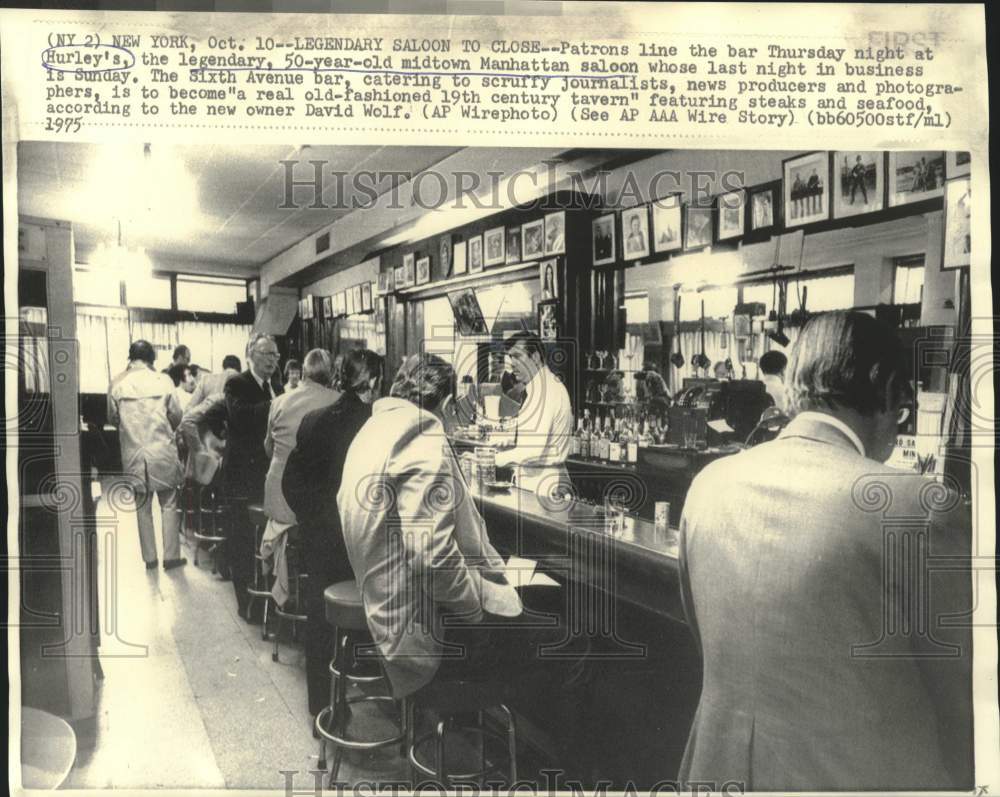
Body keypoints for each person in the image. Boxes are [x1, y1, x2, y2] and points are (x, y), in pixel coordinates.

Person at [677, 311, 971, 790]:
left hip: (719, 774)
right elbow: (968, 697)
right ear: (883, 384)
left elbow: (706, 641)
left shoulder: (710, 484)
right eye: (901, 411)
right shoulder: (919, 506)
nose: (896, 436)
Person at [282, 349, 383, 724]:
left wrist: (314, 520)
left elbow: (291, 482)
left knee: (319, 619)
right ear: (372, 383)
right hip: (364, 544)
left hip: (320, 539)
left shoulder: (312, 420)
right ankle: (385, 694)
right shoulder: (375, 426)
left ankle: (322, 706)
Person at [260, 350, 339, 606]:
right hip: (310, 504)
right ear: (331, 375)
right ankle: (323, 596)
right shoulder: (336, 402)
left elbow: (268, 448)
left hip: (275, 497)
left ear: (303, 372)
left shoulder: (279, 401)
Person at [219, 333, 283, 619]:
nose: (273, 360)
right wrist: (280, 404)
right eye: (267, 353)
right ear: (251, 355)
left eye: (276, 355)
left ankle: (266, 597)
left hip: (266, 476)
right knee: (242, 540)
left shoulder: (276, 386)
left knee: (262, 541)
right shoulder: (237, 383)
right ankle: (246, 603)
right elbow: (240, 417)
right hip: (241, 475)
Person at [107, 340, 186, 571]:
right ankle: (171, 557)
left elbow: (112, 419)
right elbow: (176, 416)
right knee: (169, 504)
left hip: (133, 454)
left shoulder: (117, 384)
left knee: (142, 507)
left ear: (130, 358)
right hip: (162, 452)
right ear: (152, 359)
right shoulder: (163, 381)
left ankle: (149, 559)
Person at [493, 332, 573, 497]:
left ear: (535, 357)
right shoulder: (545, 386)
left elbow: (533, 452)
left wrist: (493, 459)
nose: (512, 364)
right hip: (540, 481)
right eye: (510, 358)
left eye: (517, 357)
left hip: (543, 485)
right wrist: (509, 441)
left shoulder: (544, 391)